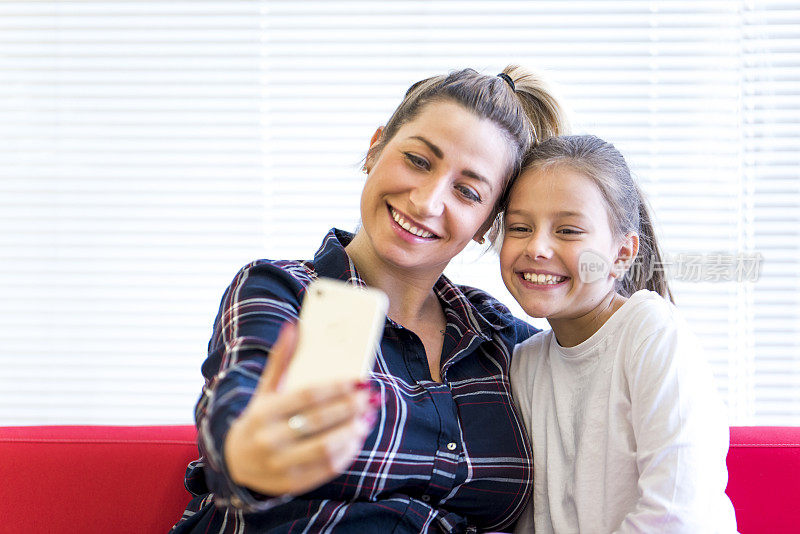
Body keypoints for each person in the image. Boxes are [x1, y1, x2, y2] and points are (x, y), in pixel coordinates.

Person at [171, 66, 569, 533]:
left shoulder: (503, 342)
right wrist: (250, 455)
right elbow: (235, 415)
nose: (427, 201)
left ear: (486, 223)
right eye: (419, 161)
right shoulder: (284, 292)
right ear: (375, 147)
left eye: (467, 191)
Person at [500, 135, 738, 533]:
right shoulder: (524, 363)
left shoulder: (651, 332)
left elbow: (679, 516)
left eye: (569, 231)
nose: (537, 247)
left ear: (622, 254)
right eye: (520, 227)